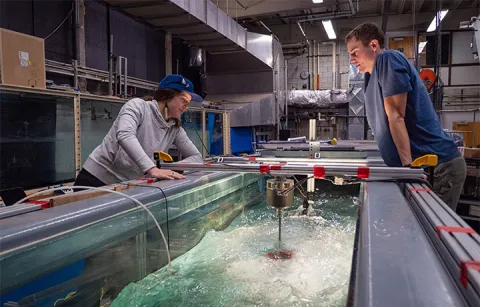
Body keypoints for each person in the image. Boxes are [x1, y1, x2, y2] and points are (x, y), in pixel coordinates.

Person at [345, 23, 467, 211]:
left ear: (374, 45)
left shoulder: (388, 59)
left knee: (429, 234)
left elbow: (396, 115)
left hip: (438, 167)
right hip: (420, 167)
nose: (352, 59)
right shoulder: (370, 76)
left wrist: (406, 169)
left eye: (355, 52)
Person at [74, 74, 203, 187]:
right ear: (167, 96)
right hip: (96, 178)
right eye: (183, 101)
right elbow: (125, 135)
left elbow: (197, 157)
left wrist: (173, 169)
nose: (186, 107)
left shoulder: (174, 128)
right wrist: (152, 169)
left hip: (128, 184)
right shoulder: (138, 106)